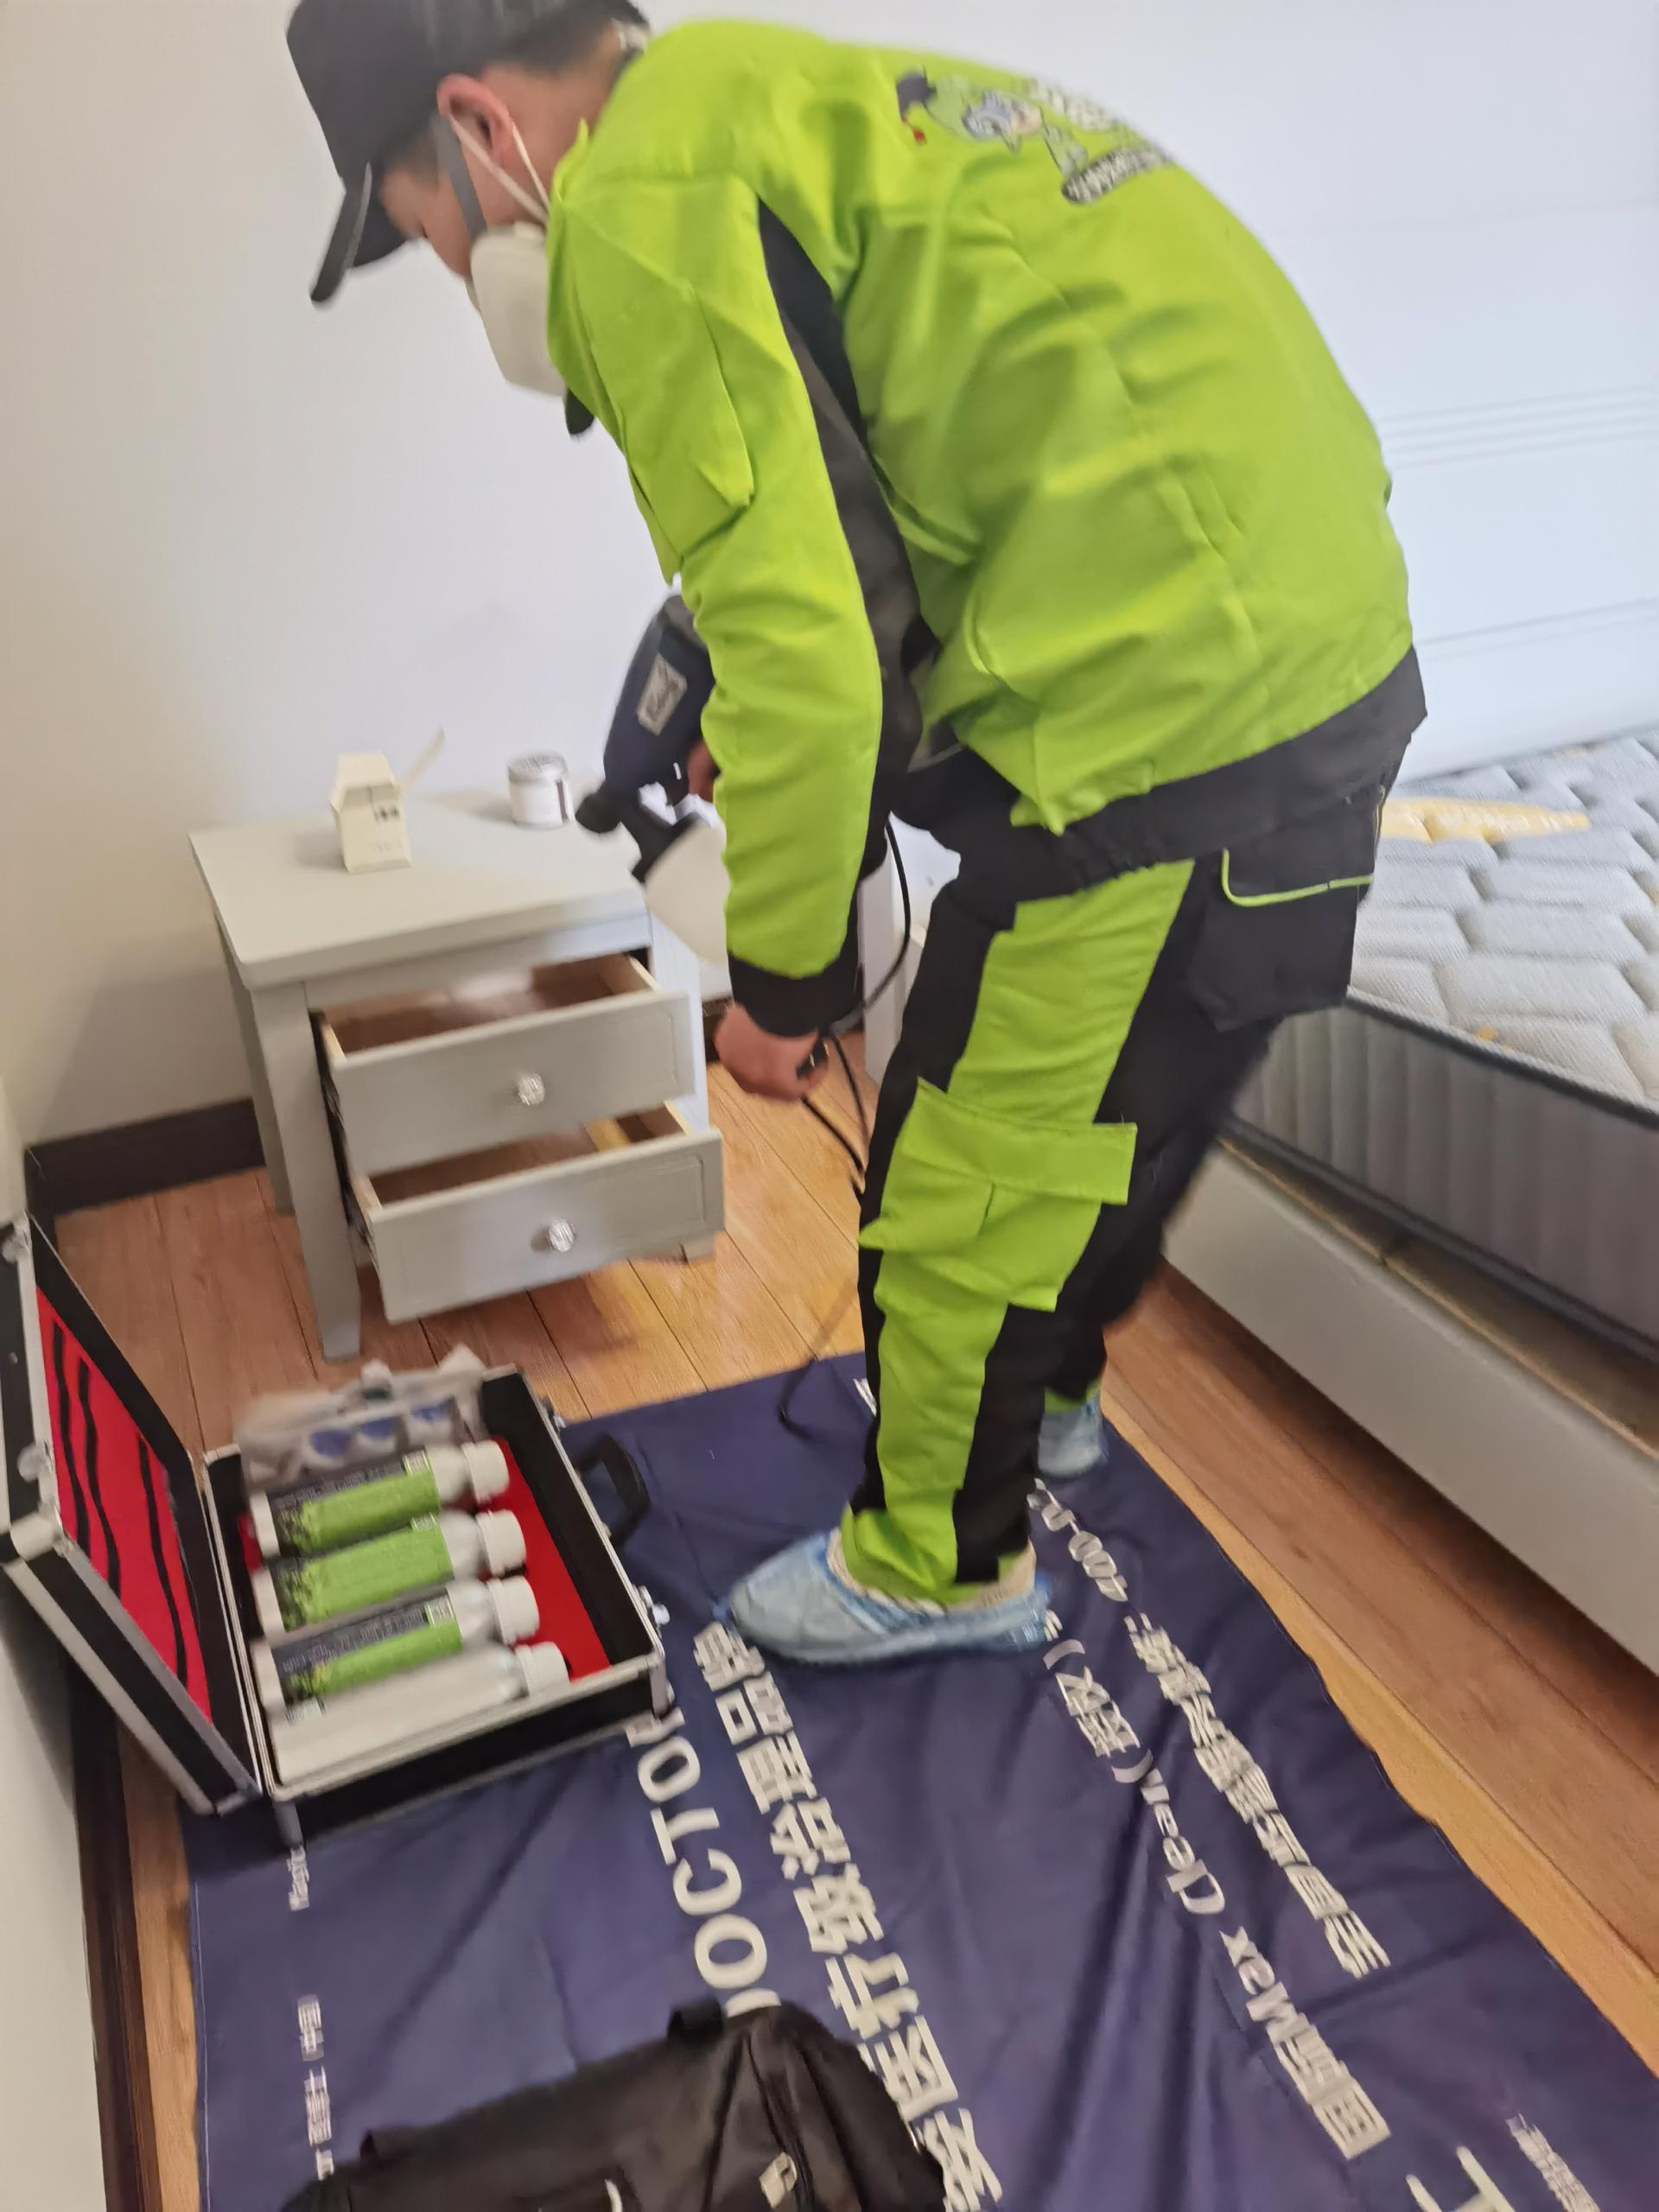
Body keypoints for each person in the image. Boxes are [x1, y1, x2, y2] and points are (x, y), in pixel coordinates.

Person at [287, 0, 1422, 1665]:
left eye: (433, 237)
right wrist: (764, 716)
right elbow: (872, 503)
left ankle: (939, 1566)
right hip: (1319, 652)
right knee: (1125, 1092)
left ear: (478, 126)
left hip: (1167, 716)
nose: (468, 278)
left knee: (964, 1163)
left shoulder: (630, 215)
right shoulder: (751, 94)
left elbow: (813, 659)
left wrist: (785, 987)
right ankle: (1043, 1403)